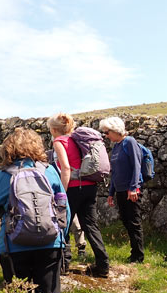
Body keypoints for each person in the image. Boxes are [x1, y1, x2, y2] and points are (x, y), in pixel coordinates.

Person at [0, 127, 70, 293]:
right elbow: (65, 209)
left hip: (14, 247)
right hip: (50, 244)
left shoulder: (1, 177)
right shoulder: (49, 171)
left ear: (7, 149)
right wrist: (58, 236)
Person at [47, 113, 110, 278]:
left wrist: (62, 192)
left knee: (64, 225)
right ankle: (103, 266)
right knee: (91, 226)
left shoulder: (59, 142)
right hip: (90, 186)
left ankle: (63, 265)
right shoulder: (76, 139)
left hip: (74, 188)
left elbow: (66, 168)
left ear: (54, 129)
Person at [99, 117, 145, 264]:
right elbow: (115, 172)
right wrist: (111, 193)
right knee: (126, 221)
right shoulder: (117, 146)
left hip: (130, 190)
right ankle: (134, 253)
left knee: (134, 222)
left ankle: (138, 256)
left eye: (107, 132)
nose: (106, 136)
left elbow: (137, 166)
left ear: (115, 130)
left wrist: (133, 188)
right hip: (120, 190)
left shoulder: (129, 142)